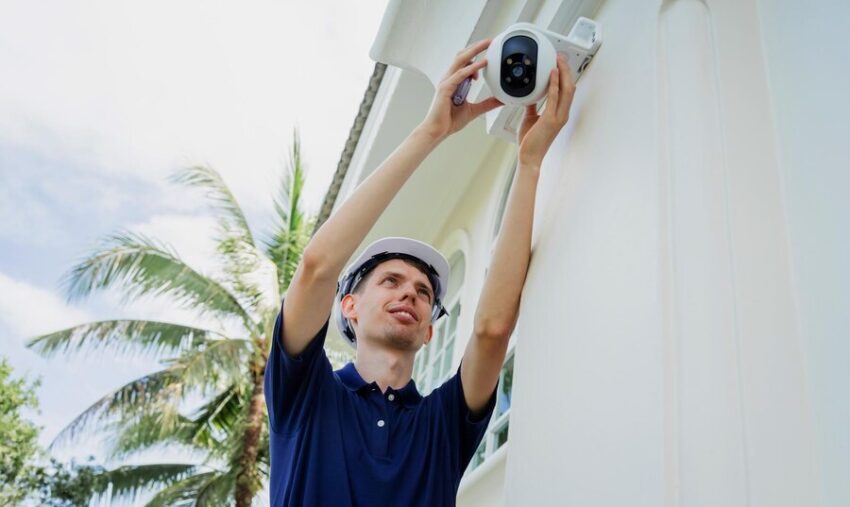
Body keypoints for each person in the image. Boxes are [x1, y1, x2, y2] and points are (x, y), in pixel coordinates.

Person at [265, 38, 576, 506]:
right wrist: (431, 133)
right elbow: (316, 267)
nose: (410, 293)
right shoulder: (306, 395)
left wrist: (529, 163)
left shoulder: (442, 423)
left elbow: (492, 332)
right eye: (390, 281)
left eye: (424, 293)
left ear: (430, 331)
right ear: (348, 307)